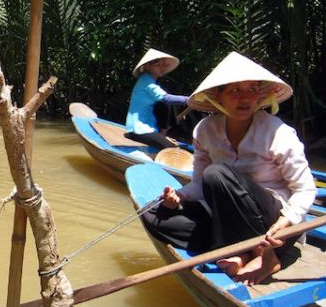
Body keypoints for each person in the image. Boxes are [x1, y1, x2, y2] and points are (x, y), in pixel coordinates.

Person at [142, 52, 316, 285]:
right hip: (228, 219)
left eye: (252, 90)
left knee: (217, 174)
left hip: (273, 222)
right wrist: (178, 196)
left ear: (259, 97)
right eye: (235, 90)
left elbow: (305, 190)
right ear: (218, 97)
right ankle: (238, 250)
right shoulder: (205, 130)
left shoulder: (277, 133)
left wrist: (285, 222)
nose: (244, 97)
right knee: (152, 213)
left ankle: (265, 256)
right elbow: (201, 184)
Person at [125, 48, 189, 149]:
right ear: (147, 66)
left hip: (146, 129)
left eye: (163, 65)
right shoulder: (146, 81)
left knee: (163, 106)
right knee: (173, 149)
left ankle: (161, 136)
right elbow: (167, 99)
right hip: (138, 130)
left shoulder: (149, 80)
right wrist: (189, 100)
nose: (162, 68)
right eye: (158, 65)